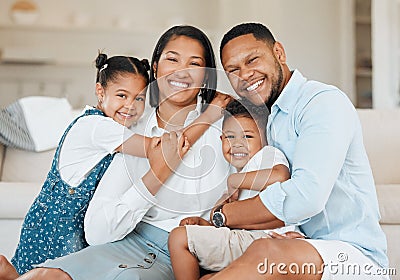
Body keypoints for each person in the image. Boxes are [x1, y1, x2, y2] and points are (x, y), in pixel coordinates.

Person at [1, 25, 231, 280]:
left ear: (207, 75)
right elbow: (166, 149)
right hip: (110, 239)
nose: (181, 71)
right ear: (156, 67)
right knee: (44, 275)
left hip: (180, 249)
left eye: (195, 63)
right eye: (172, 59)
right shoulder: (130, 131)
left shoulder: (227, 126)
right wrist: (206, 118)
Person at [203, 22, 389, 279]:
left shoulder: (322, 102)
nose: (244, 75)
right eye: (233, 70)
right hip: (299, 243)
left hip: (354, 257)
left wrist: (224, 215)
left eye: (252, 60)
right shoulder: (263, 120)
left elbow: (306, 196)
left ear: (279, 53)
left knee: (267, 253)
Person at [168, 99, 307, 280]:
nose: (238, 143)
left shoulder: (266, 155)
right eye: (230, 137)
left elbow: (280, 176)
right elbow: (237, 224)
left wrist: (234, 181)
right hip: (248, 241)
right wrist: (205, 225)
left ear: (264, 139)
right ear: (221, 139)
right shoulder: (239, 173)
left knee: (179, 238)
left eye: (247, 136)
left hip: (268, 240)